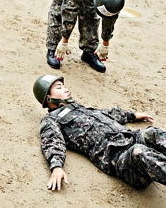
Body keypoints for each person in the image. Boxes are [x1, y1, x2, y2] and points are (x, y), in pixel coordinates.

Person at [34, 75, 165, 190]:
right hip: (120, 158)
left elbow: (106, 114)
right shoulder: (52, 119)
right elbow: (52, 141)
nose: (66, 89)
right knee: (139, 151)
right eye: (59, 88)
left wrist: (133, 115)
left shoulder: (79, 107)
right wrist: (56, 166)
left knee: (152, 132)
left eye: (64, 86)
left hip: (131, 137)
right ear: (48, 97)